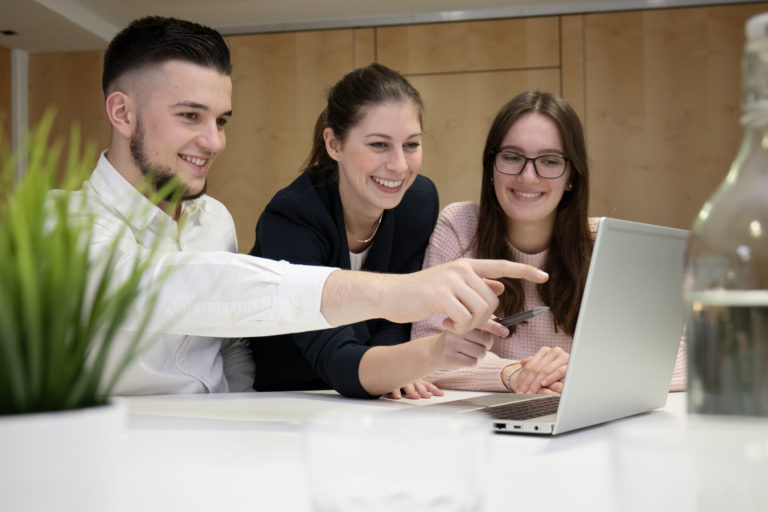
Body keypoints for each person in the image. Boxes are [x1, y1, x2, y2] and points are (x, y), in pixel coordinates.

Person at [66, 16, 548, 396]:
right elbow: (163, 289)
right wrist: (400, 293)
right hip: (120, 446)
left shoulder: (212, 219)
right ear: (122, 113)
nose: (213, 141)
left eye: (222, 120)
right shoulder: (60, 222)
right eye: (190, 115)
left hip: (224, 437)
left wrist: (240, 418)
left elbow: (232, 351)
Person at [412, 91, 687, 394]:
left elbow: (680, 356)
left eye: (550, 161)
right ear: (491, 168)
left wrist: (579, 373)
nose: (528, 176)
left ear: (572, 176)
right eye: (512, 157)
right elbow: (424, 351)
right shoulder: (461, 226)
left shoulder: (605, 245)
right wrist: (514, 373)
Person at [249, 63, 473, 399]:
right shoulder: (292, 217)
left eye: (411, 145)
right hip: (290, 401)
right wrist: (428, 355)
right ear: (334, 144)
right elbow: (334, 357)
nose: (399, 165)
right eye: (379, 145)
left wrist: (393, 369)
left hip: (372, 396)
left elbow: (396, 318)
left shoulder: (418, 202)